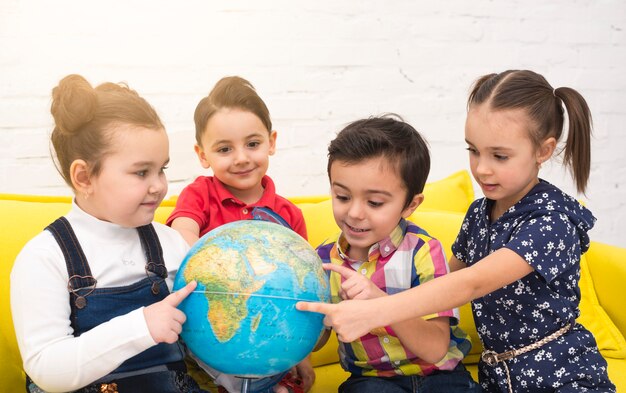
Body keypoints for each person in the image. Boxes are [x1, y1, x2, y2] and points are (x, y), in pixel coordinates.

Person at [298, 70, 616, 392]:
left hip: (558, 375)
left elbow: (470, 283)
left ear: (543, 151)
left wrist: (375, 310)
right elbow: (441, 284)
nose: (481, 168)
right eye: (473, 151)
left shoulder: (552, 222)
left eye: (500, 156)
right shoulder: (480, 213)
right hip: (499, 379)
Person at [10, 74, 207, 392]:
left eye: (162, 169)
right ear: (84, 176)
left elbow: (206, 338)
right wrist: (141, 326)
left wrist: (255, 376)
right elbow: (47, 368)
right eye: (141, 172)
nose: (158, 185)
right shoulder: (44, 257)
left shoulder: (170, 243)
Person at [312, 116, 481, 393]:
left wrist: (380, 304)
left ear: (410, 205)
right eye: (342, 197)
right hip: (371, 382)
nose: (354, 212)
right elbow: (314, 339)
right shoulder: (322, 259)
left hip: (440, 377)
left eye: (375, 202)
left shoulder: (423, 251)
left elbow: (436, 348)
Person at [167, 76, 312, 393]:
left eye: (253, 144)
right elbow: (182, 232)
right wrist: (223, 273)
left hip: (266, 342)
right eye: (224, 149)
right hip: (206, 338)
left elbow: (302, 292)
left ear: (271, 142)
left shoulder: (288, 216)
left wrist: (300, 352)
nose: (242, 157)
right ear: (202, 155)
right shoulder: (199, 194)